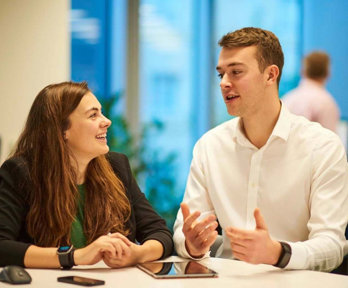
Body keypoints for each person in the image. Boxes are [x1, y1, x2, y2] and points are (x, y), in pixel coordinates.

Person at [173, 27, 348, 272]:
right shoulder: (209, 146)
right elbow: (183, 232)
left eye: (236, 72)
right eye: (221, 74)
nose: (224, 83)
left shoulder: (323, 147)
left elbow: (333, 246)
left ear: (270, 75)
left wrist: (278, 253)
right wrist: (191, 244)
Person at [0, 81, 173, 268]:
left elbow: (161, 234)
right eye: (93, 115)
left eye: (101, 112)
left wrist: (137, 254)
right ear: (62, 130)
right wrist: (75, 256)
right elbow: (3, 247)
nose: (107, 121)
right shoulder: (20, 172)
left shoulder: (117, 166)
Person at [283, 51, 340, 132]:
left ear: (303, 71)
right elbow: (330, 142)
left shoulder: (288, 99)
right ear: (328, 73)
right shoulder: (326, 103)